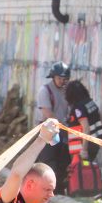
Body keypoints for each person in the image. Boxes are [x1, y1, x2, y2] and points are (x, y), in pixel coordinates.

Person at [36, 61, 71, 194]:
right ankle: (47, 190)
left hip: (63, 131)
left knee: (63, 160)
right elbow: (47, 113)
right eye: (59, 78)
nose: (62, 81)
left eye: (65, 79)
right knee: (48, 161)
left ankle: (59, 189)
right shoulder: (45, 91)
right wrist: (60, 126)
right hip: (49, 131)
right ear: (53, 77)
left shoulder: (66, 91)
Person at [64, 80, 102, 162]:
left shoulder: (78, 107)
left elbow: (86, 128)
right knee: (87, 168)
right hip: (95, 143)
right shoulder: (90, 103)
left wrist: (84, 150)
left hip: (82, 147)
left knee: (80, 171)